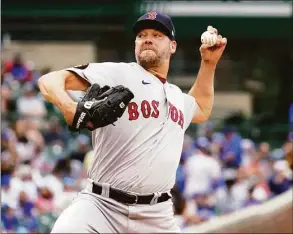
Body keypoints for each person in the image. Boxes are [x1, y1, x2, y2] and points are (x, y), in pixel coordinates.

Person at [38, 11, 227, 233]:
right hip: (101, 206)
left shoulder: (176, 96)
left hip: (157, 216)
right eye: (142, 35)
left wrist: (209, 63)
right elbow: (49, 80)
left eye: (157, 35)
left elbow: (202, 108)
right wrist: (68, 107)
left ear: (173, 46)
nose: (147, 38)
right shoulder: (119, 73)